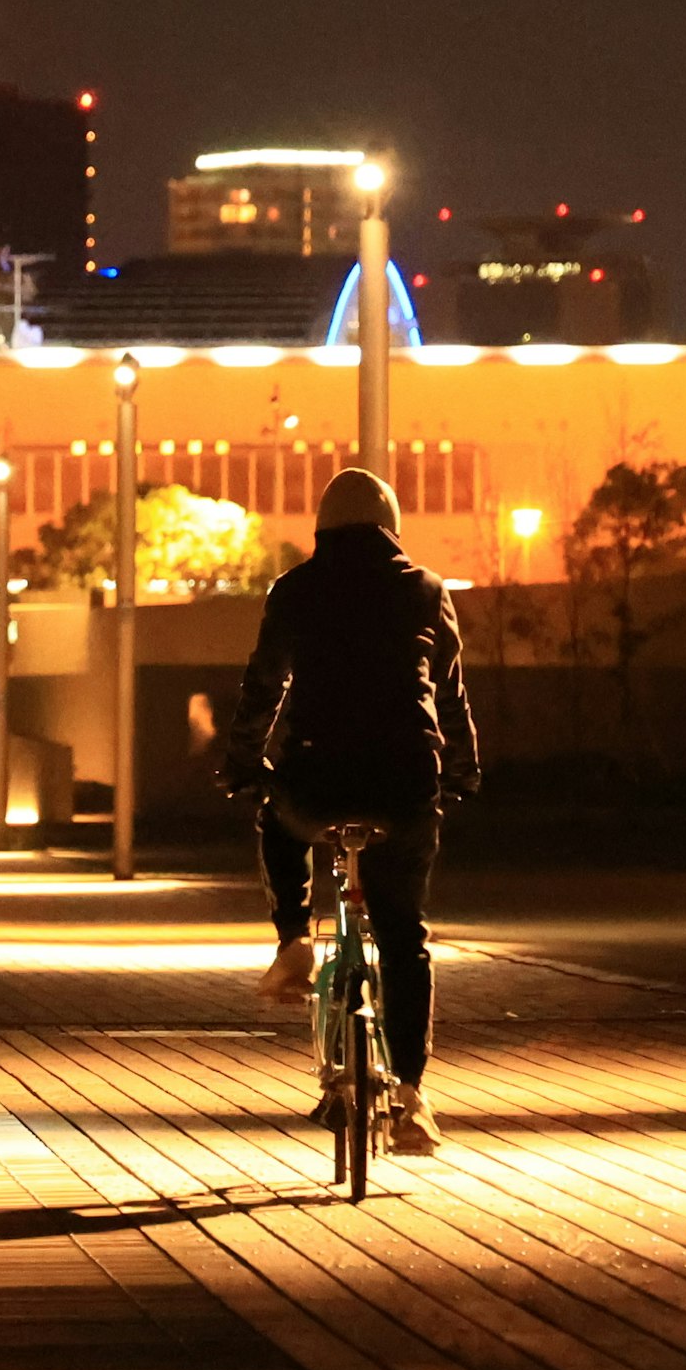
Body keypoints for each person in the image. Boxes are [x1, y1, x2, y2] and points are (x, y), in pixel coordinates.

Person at [225, 467, 479, 1155]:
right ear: (392, 527)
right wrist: (459, 770)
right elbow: (450, 694)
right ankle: (412, 1099)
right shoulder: (426, 591)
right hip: (404, 786)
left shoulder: (295, 591)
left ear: (321, 529)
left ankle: (294, 941)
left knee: (276, 817)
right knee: (405, 938)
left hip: (315, 783)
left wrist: (244, 762)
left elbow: (263, 684)